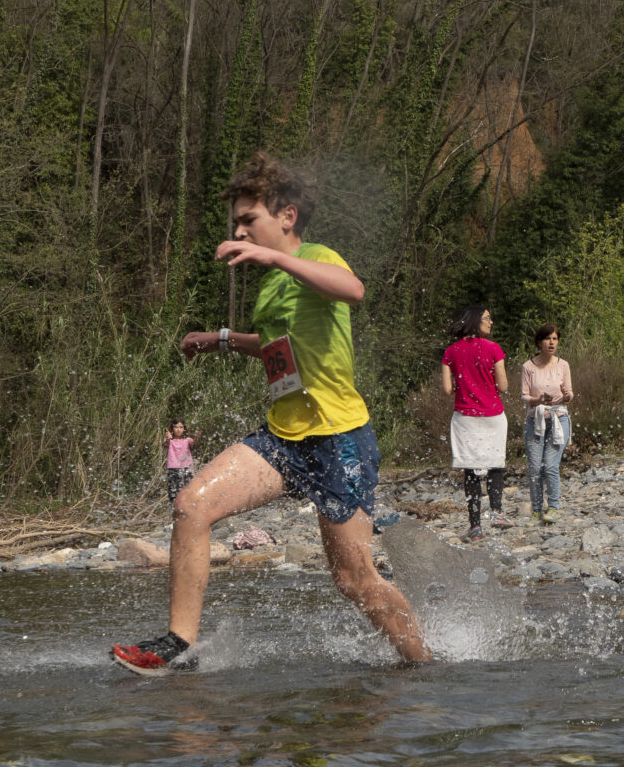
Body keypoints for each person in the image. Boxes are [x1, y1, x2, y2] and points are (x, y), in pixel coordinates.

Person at [111, 152, 430, 672]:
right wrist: (219, 339)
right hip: (283, 437)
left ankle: (425, 666)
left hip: (339, 440)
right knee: (191, 505)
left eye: (248, 219)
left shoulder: (317, 258)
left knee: (353, 580)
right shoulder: (272, 283)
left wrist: (276, 259)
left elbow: (353, 291)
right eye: (236, 222)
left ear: (287, 216)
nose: (239, 231)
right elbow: (278, 349)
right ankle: (177, 644)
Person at [441, 305, 513, 541]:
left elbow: (447, 390)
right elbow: (503, 386)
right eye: (487, 318)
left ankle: (475, 526)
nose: (491, 322)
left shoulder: (450, 352)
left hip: (465, 418)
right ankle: (497, 513)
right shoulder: (494, 348)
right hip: (493, 415)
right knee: (495, 464)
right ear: (475, 321)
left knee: (471, 470)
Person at [521, 324, 573, 525]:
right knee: (535, 468)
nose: (551, 343)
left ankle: (554, 507)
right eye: (547, 339)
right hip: (535, 420)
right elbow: (524, 396)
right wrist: (538, 399)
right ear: (539, 342)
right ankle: (536, 510)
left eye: (555, 339)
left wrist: (567, 396)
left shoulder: (563, 365)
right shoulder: (528, 367)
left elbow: (569, 393)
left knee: (550, 465)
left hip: (559, 418)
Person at [164, 419, 201, 504]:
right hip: (173, 469)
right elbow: (166, 445)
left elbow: (193, 443)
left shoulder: (187, 440)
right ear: (172, 428)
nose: (178, 429)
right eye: (176, 427)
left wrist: (196, 437)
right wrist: (168, 438)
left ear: (184, 429)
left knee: (189, 492)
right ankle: (174, 509)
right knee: (173, 494)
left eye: (181, 427)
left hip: (186, 468)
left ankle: (189, 508)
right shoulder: (169, 440)